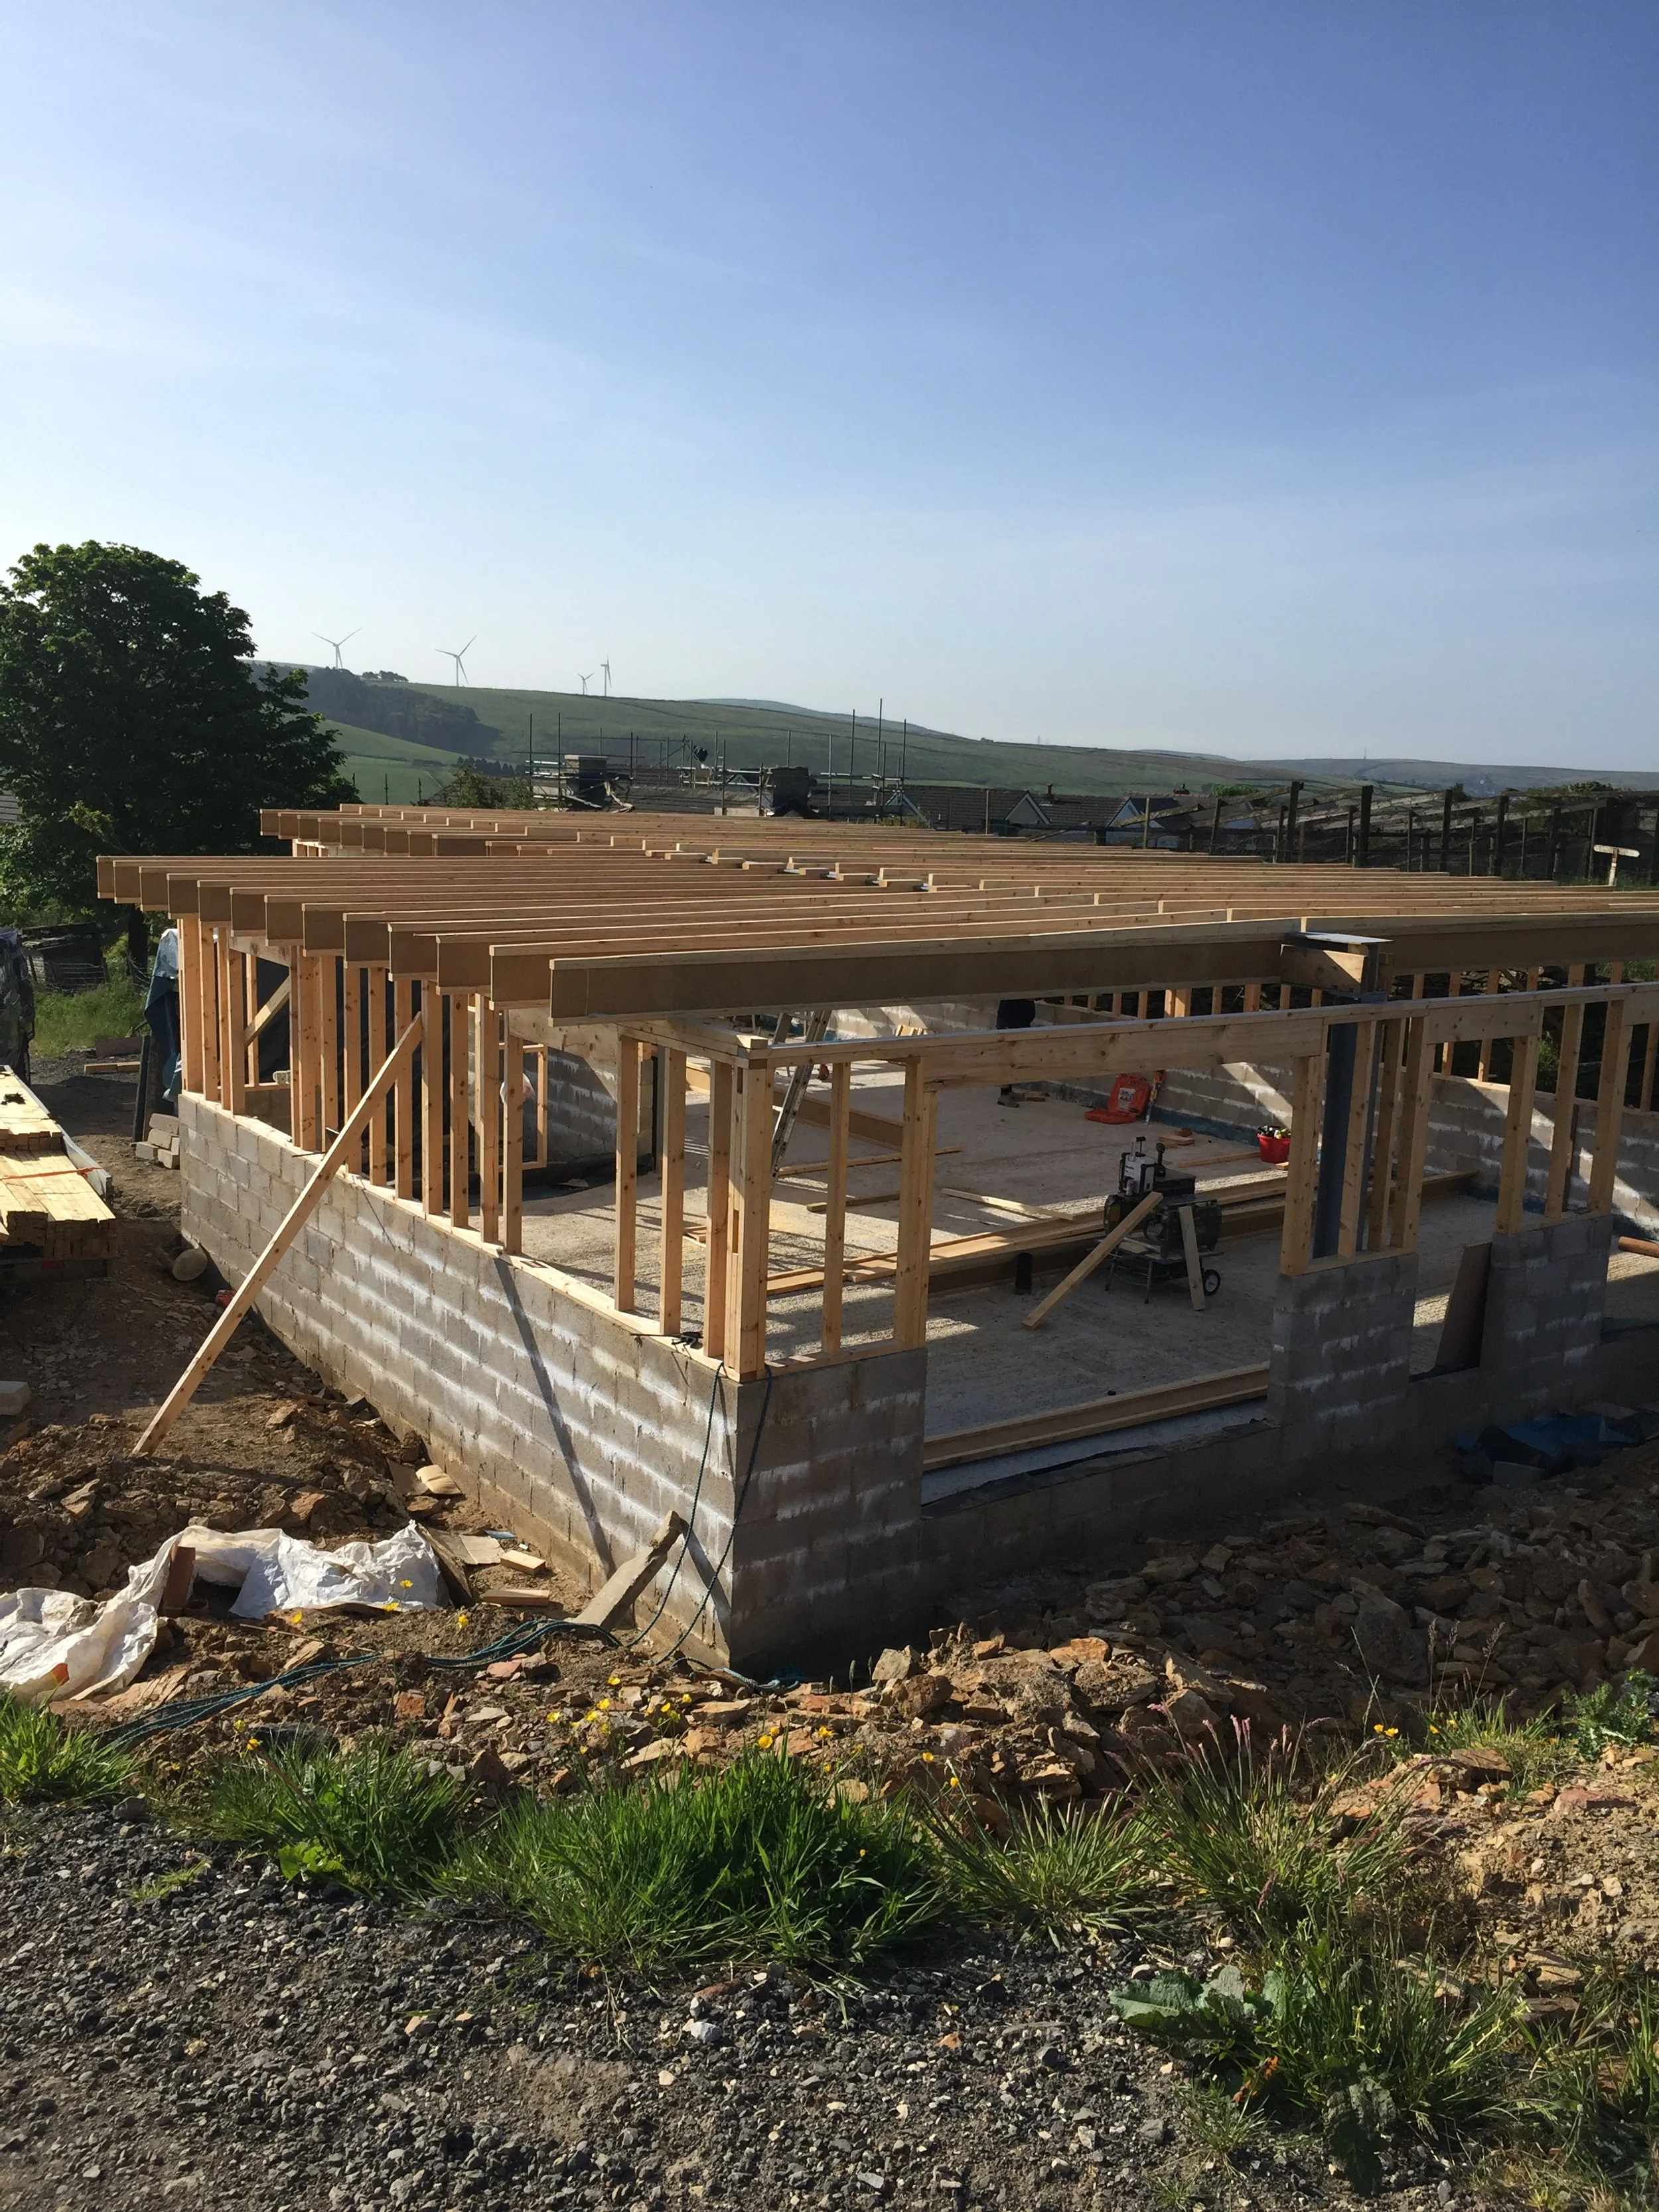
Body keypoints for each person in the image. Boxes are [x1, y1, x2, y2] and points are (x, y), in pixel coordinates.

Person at [995, 996, 1036, 1105]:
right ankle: (1003, 1096)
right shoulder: (1019, 983)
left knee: (1014, 1059)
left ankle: (1008, 1092)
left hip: (1016, 1022)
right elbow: (1031, 996)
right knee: (1008, 1059)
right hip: (1011, 1022)